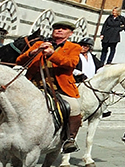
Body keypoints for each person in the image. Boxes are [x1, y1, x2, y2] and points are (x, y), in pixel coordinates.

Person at [12, 20, 88, 153]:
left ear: (70, 33)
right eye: (57, 28)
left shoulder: (74, 47)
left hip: (59, 88)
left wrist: (52, 54)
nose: (59, 30)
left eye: (63, 29)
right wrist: (33, 52)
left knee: (74, 108)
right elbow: (19, 60)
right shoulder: (38, 44)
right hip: (33, 85)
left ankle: (69, 139)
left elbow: (71, 63)